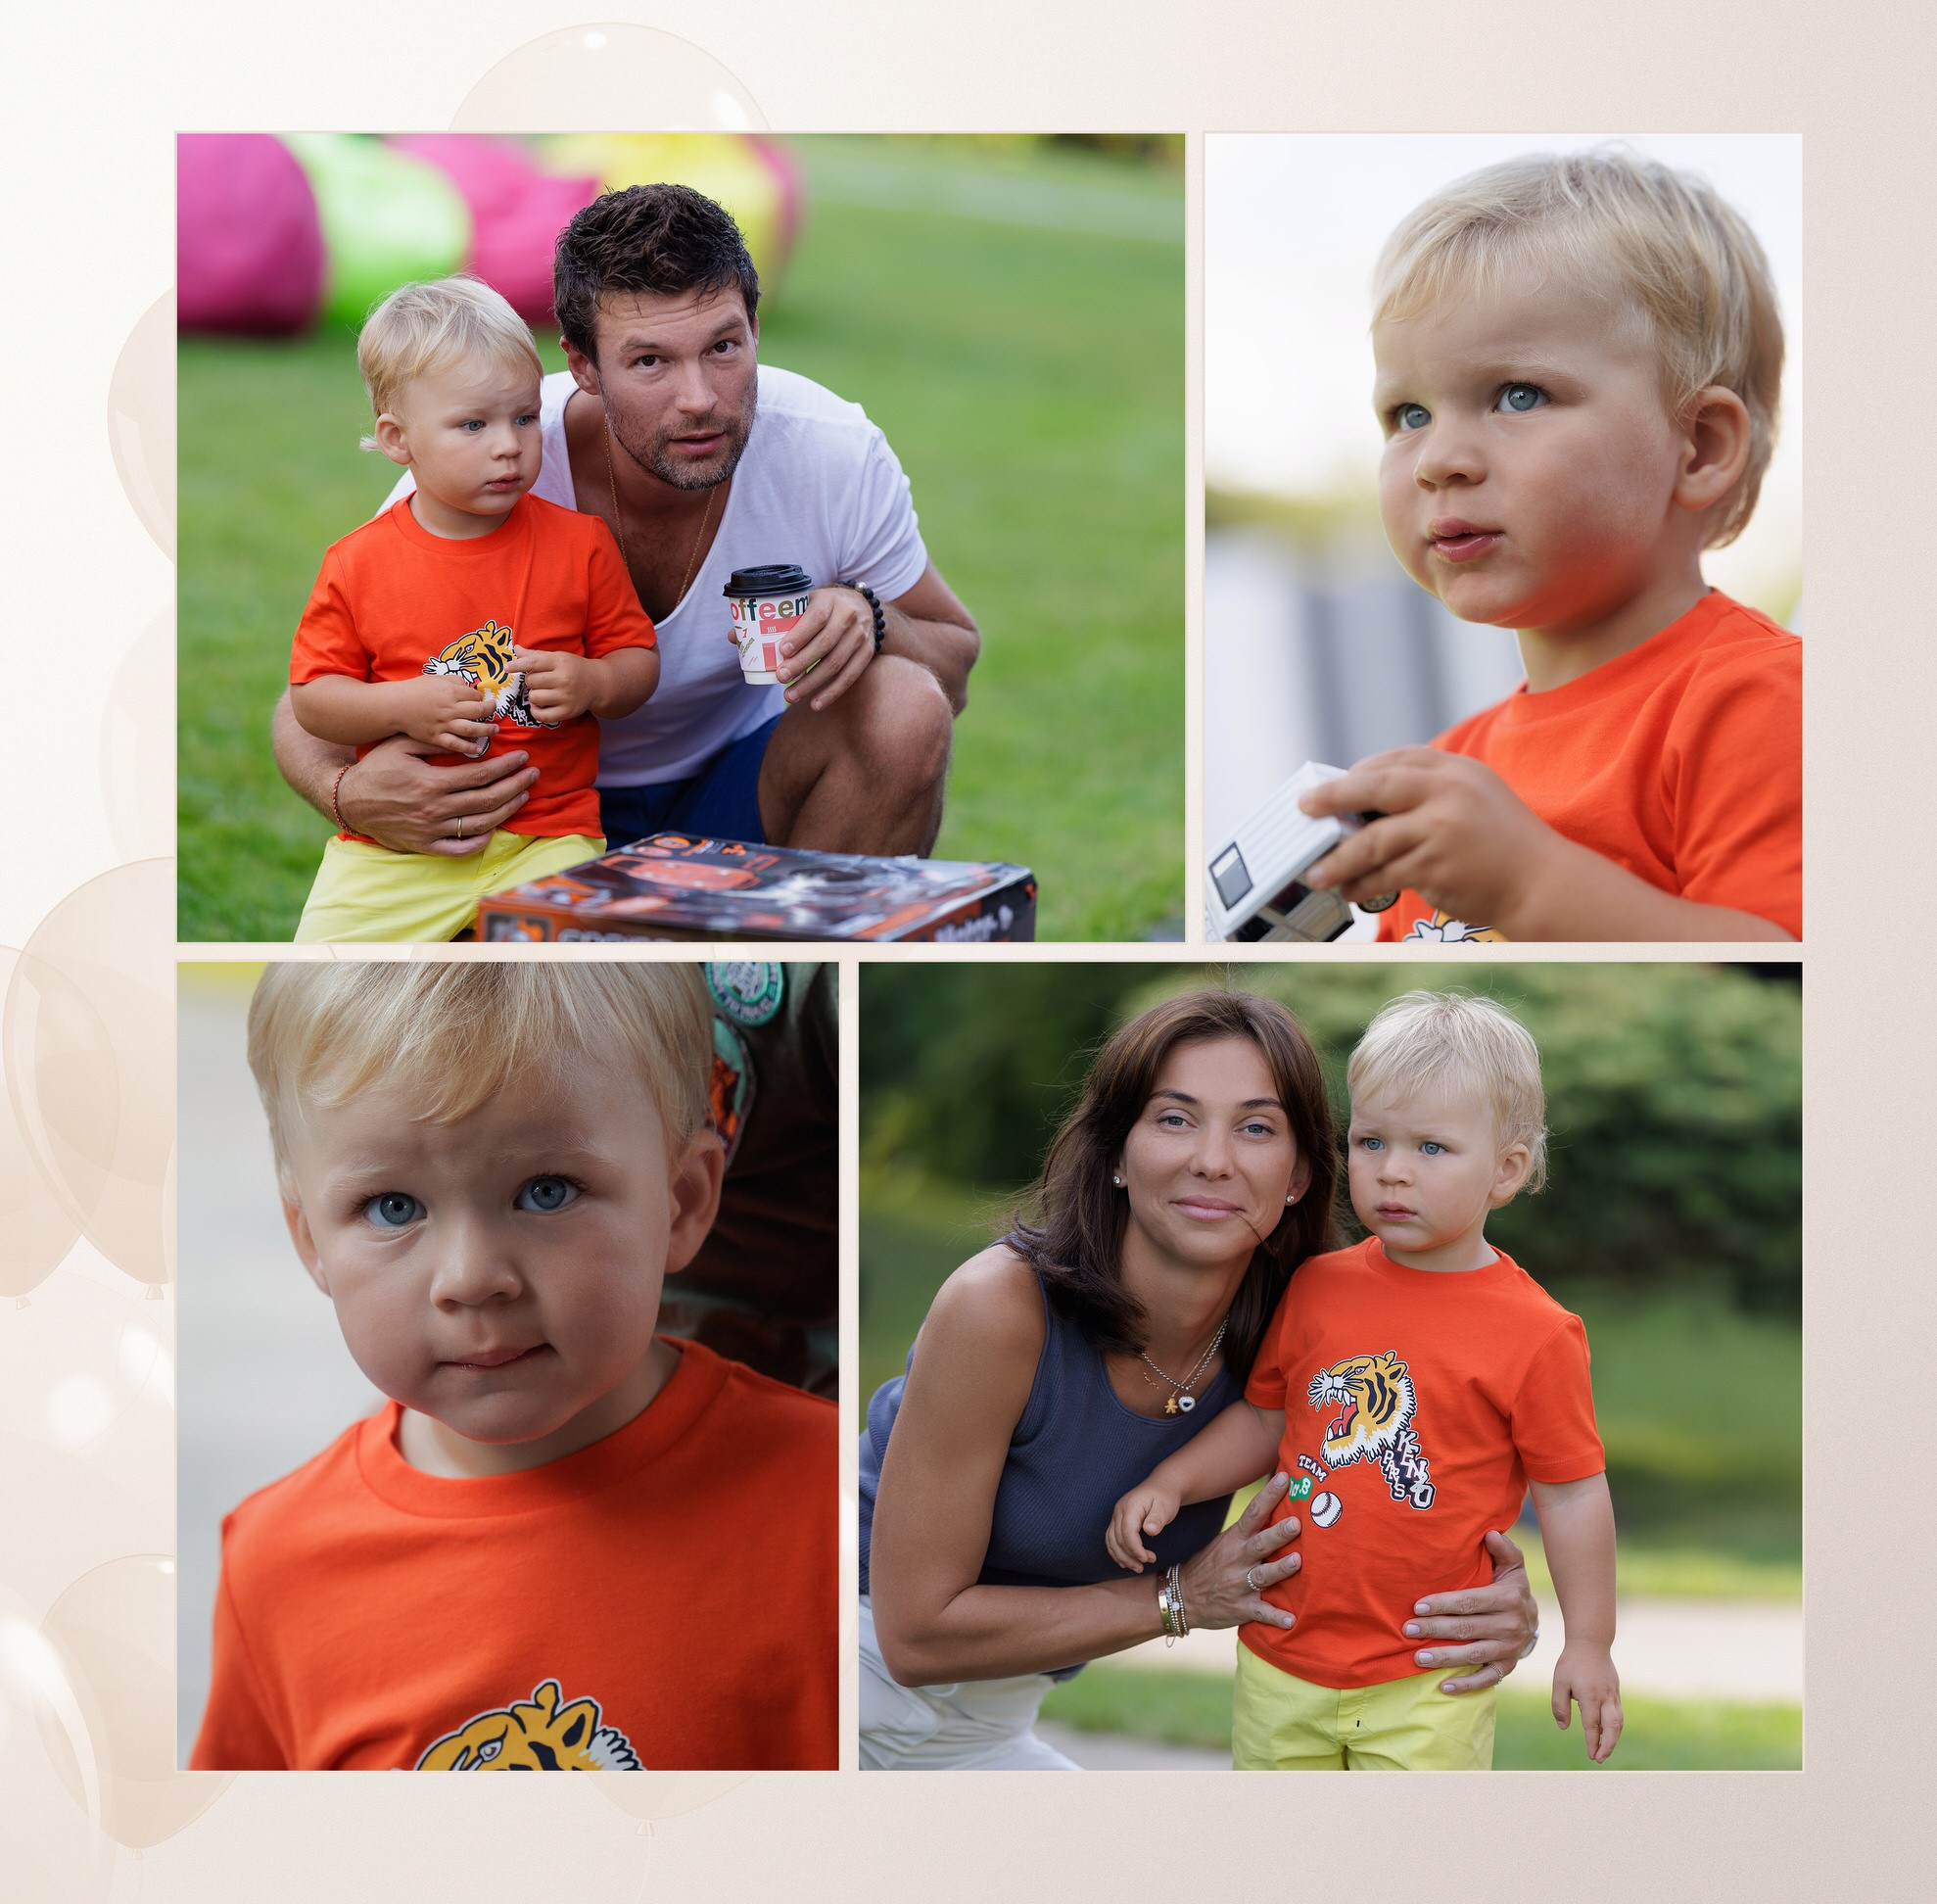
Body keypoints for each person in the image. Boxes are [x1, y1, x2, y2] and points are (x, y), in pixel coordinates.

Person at [860, 989, 1538, 1771]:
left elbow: (1410, 1480)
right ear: (1117, 1154)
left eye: (1256, 1128)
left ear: (1298, 1174)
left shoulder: (1313, 1329)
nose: (1213, 1160)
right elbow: (913, 1636)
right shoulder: (998, 1308)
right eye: (1175, 1118)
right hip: (846, 1668)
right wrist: (1179, 1595)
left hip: (988, 1726)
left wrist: (1496, 1609)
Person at [189, 963, 837, 1771]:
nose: (471, 1278)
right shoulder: (275, 1564)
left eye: (547, 1191)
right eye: (394, 1207)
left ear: (682, 1202)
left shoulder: (832, 1504)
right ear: (309, 1238)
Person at [272, 183, 979, 880]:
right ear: (582, 365)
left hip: (744, 787)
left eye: (723, 347)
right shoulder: (483, 467)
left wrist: (870, 617)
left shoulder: (832, 451)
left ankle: (787, 958)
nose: (699, 399)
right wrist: (347, 794)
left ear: (755, 329)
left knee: (903, 707)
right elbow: (307, 705)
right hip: (521, 813)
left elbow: (952, 655)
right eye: (650, 361)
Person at [1299, 149, 1800, 943]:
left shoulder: (1762, 704)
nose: (1437, 461)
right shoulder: (1452, 770)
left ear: (1700, 446)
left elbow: (1789, 978)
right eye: (1410, 415)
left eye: (1517, 395)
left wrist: (1529, 886)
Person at [1110, 990, 1620, 1769]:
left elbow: (1574, 1494)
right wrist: (1172, 1482)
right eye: (1372, 1141)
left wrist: (1589, 1643)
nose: (1393, 1173)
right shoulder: (1319, 1286)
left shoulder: (1538, 1332)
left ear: (1506, 1171)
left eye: (1432, 1148)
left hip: (1429, 1677)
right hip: (1283, 1657)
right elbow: (1267, 1420)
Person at [287, 277, 661, 942]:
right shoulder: (356, 563)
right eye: (473, 425)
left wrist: (593, 682)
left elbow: (638, 661)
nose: (508, 445)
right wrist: (402, 705)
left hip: (548, 838)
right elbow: (313, 700)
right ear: (397, 439)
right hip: (398, 853)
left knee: (571, 986)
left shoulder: (582, 545)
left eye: (524, 418)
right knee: (321, 979)